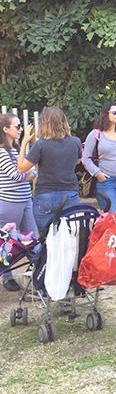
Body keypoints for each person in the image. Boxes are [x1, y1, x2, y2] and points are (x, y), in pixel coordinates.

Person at [18, 107, 81, 235]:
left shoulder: (40, 145)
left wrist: (24, 142)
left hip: (46, 195)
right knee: (69, 236)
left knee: (46, 239)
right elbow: (78, 161)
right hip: (70, 193)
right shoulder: (75, 141)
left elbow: (21, 168)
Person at [0, 113, 37, 291]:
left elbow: (30, 170)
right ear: (6, 130)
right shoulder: (1, 152)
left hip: (25, 199)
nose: (21, 129)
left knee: (31, 238)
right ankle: (7, 276)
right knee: (8, 242)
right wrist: (27, 174)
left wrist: (27, 174)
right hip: (9, 202)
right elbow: (17, 175)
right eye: (17, 126)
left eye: (20, 126)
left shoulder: (15, 150)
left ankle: (38, 271)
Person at [82, 103, 116, 213]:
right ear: (106, 114)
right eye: (114, 112)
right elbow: (86, 158)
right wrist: (98, 174)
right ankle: (109, 231)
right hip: (106, 181)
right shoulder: (96, 134)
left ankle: (115, 231)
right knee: (110, 215)